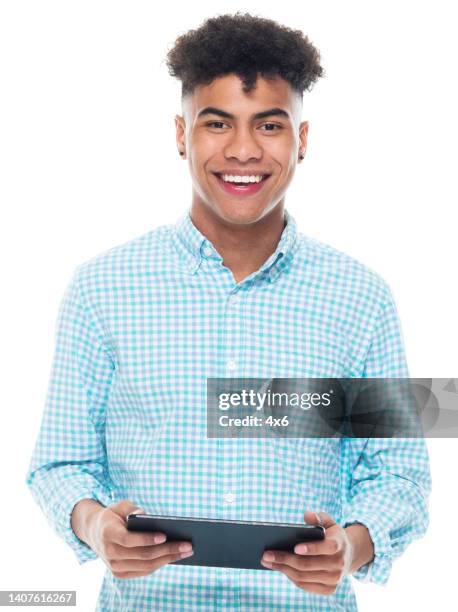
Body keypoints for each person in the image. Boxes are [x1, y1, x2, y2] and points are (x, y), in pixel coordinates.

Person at [25, 12, 431, 612]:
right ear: (182, 134)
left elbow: (400, 479)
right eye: (217, 124)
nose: (243, 149)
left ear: (302, 140)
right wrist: (95, 528)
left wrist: (353, 547)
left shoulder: (360, 299)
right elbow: (61, 464)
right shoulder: (101, 288)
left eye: (269, 124)